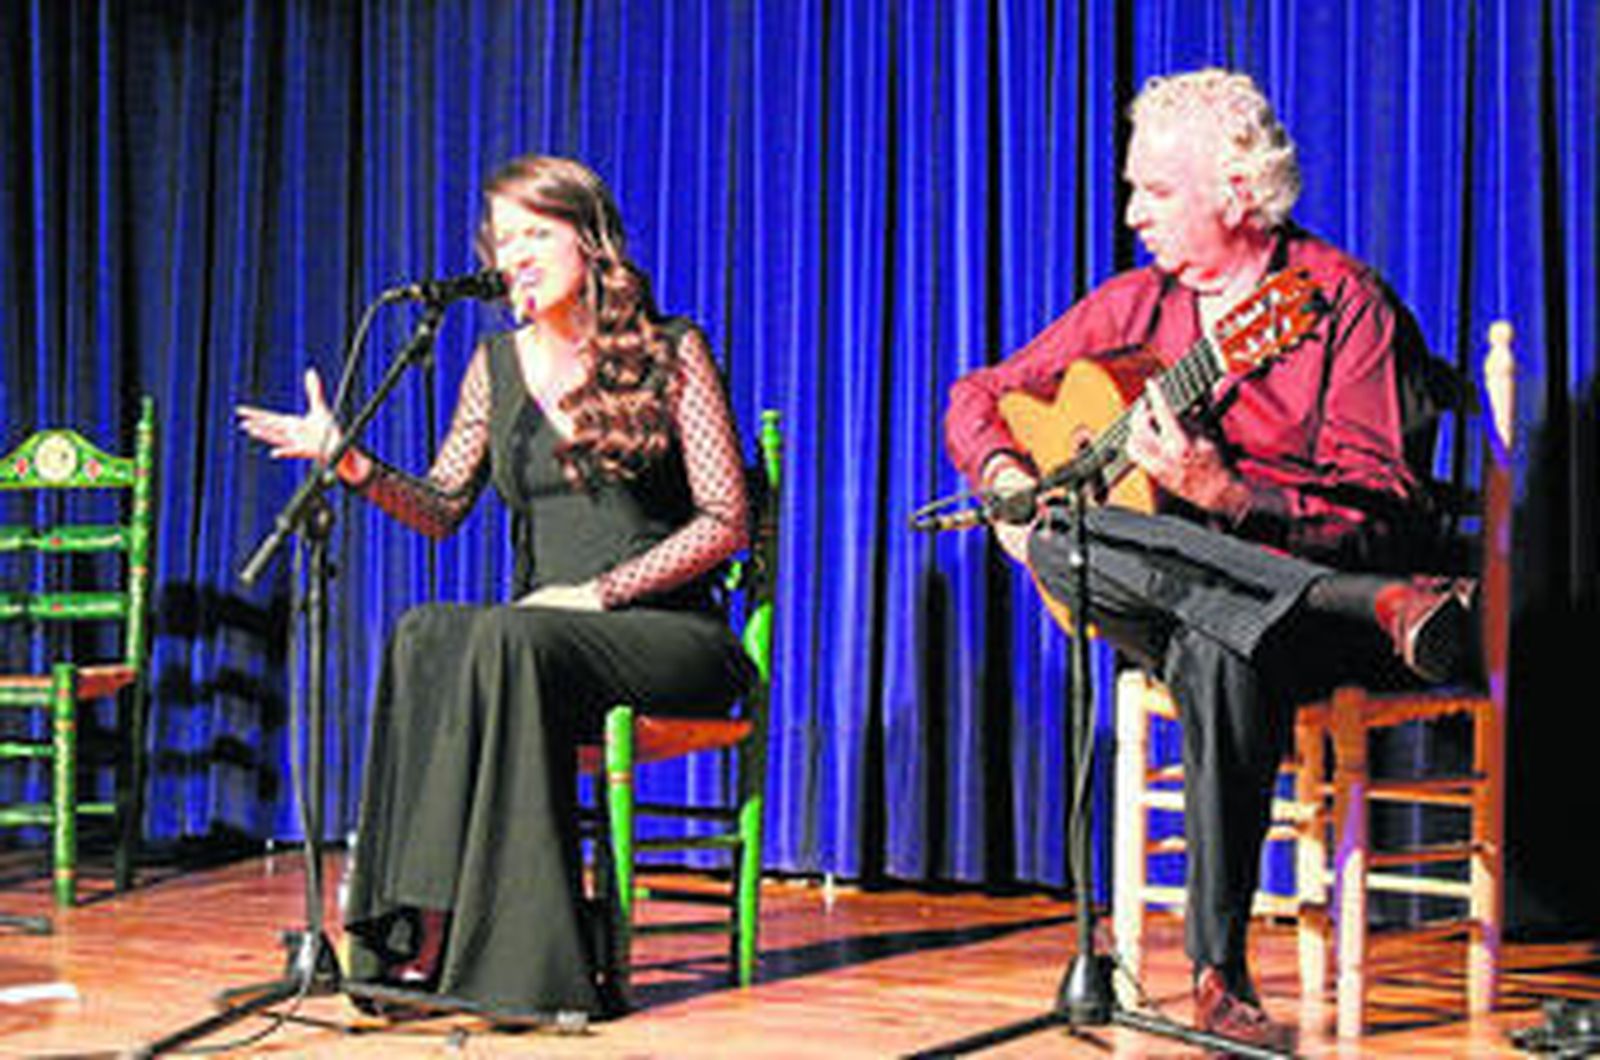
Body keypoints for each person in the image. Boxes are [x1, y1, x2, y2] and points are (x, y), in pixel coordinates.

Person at [943, 69, 1473, 1048]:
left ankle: (1216, 971)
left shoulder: (1339, 302)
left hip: (1304, 636)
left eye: (1155, 191)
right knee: (1057, 536)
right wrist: (1007, 476)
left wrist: (1228, 497)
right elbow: (975, 395)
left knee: (1222, 639)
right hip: (1272, 591)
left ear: (1236, 193)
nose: (1132, 215)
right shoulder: (1133, 307)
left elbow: (1387, 513)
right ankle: (1365, 601)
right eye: (1133, 190)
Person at [237, 155, 755, 1019]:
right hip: (539, 646)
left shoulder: (672, 350)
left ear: (589, 241)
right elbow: (442, 506)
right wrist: (351, 463)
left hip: (667, 634)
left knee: (510, 633)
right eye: (502, 239)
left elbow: (725, 522)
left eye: (534, 234)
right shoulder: (493, 365)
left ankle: (511, 963)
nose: (512, 255)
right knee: (425, 630)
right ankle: (412, 932)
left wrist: (599, 593)